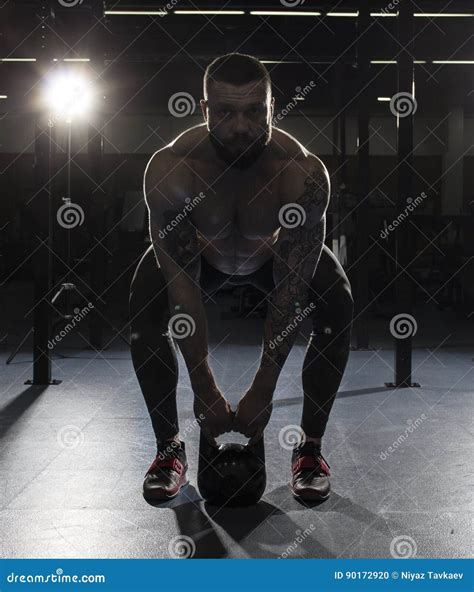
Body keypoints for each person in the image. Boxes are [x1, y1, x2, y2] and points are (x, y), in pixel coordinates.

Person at [129, 52, 354, 503]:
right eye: (226, 112)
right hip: (203, 260)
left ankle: (309, 451)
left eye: (255, 112)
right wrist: (205, 389)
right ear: (204, 109)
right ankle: (169, 448)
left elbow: (290, 294)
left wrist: (264, 390)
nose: (240, 127)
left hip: (272, 260)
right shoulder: (172, 169)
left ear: (273, 108)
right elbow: (183, 291)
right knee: (144, 303)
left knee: (337, 301)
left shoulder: (302, 174)